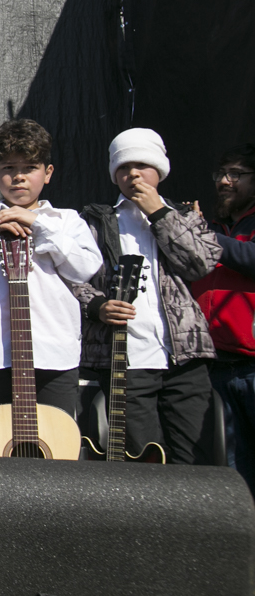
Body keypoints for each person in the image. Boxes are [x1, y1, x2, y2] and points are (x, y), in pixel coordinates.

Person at [73, 128, 218, 465]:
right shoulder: (96, 220)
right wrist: (97, 306)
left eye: (142, 165)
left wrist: (160, 214)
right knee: (143, 461)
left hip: (185, 357)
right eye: (124, 167)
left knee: (195, 459)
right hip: (127, 358)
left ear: (160, 169)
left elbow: (200, 264)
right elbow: (70, 277)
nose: (133, 174)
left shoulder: (184, 216)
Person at [0, 119, 101, 417]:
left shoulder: (67, 221)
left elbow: (85, 269)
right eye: (9, 168)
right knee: (0, 441)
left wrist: (38, 225)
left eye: (29, 168)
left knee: (57, 441)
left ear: (48, 173)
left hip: (54, 356)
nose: (18, 177)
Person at [192, 142, 255, 487]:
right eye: (221, 173)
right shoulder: (212, 228)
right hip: (215, 368)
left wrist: (204, 235)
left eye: (236, 174)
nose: (225, 181)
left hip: (252, 367)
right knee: (232, 473)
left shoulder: (211, 233)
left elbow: (250, 259)